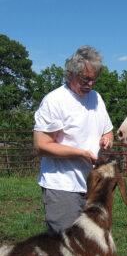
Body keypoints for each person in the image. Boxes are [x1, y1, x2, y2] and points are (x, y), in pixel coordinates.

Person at [33, 46, 114, 234]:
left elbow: (108, 131)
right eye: (85, 79)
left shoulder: (96, 98)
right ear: (70, 74)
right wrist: (80, 153)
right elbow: (41, 146)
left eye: (94, 79)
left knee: (89, 242)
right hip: (62, 186)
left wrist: (106, 139)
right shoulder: (55, 101)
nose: (91, 84)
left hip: (92, 184)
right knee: (65, 245)